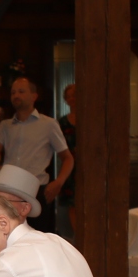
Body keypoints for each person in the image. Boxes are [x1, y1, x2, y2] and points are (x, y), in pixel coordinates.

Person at [0, 77, 72, 234]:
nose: (16, 95)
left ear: (34, 96)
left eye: (21, 91)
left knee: (37, 236)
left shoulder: (48, 124)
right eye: (13, 92)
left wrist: (58, 182)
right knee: (7, 235)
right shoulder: (5, 125)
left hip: (36, 190)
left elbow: (68, 158)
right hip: (9, 189)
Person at [57, 83, 78, 237]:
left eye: (74, 95)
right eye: (68, 96)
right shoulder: (62, 122)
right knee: (72, 204)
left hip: (89, 168)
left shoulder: (91, 120)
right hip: (70, 166)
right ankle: (77, 235)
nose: (72, 99)